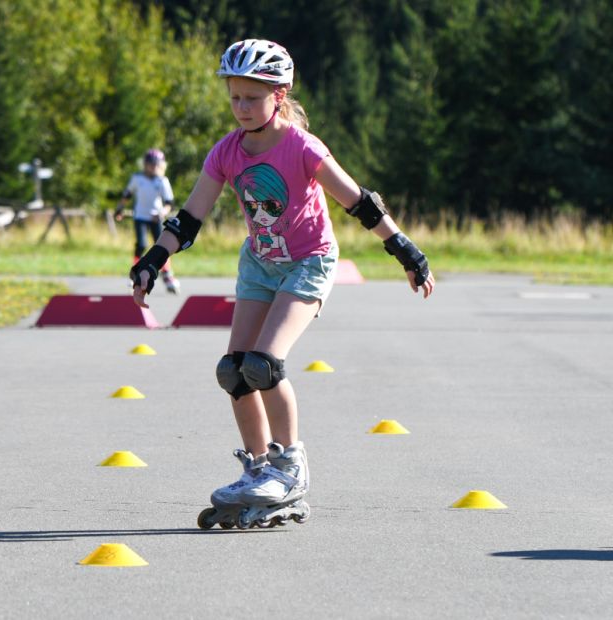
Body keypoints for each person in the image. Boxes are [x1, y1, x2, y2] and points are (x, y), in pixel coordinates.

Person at [129, 39, 435, 528]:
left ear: (280, 93)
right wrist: (153, 258)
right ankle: (258, 469)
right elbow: (189, 216)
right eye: (235, 97)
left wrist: (406, 251)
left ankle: (291, 467)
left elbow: (360, 202)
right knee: (233, 370)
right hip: (259, 263)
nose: (242, 108)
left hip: (308, 261)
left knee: (263, 364)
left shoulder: (302, 147)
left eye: (253, 97)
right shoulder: (226, 152)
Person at [116, 148, 180, 294]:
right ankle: (135, 273)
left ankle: (168, 275)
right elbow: (127, 194)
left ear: (161, 165)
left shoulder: (162, 181)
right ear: (145, 164)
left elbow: (169, 202)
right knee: (141, 245)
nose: (153, 167)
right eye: (150, 164)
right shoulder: (137, 179)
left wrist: (163, 212)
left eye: (156, 164)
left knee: (162, 248)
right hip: (140, 217)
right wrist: (119, 209)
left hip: (156, 218)